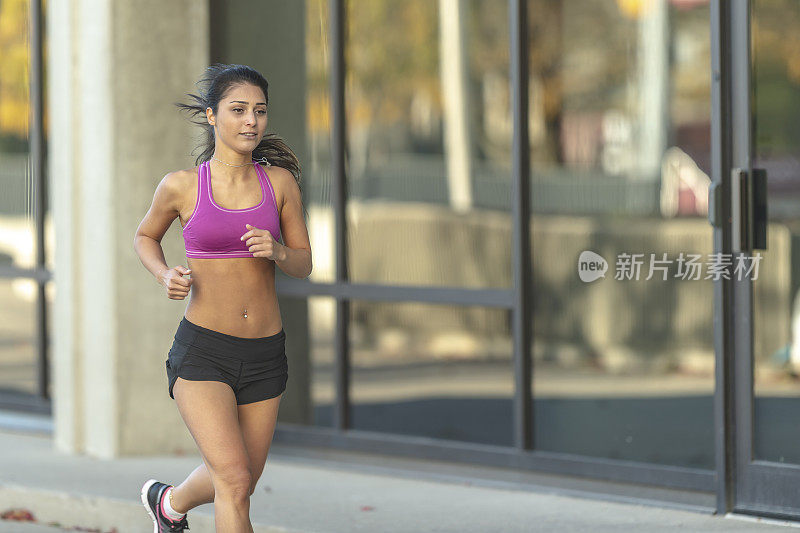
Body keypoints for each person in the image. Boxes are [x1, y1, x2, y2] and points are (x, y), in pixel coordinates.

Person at [133, 63, 312, 532]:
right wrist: (163, 273)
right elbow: (144, 237)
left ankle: (168, 505)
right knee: (233, 481)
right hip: (204, 352)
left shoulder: (280, 185)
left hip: (265, 354)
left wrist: (277, 251)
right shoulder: (182, 185)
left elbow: (304, 263)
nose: (251, 121)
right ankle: (170, 506)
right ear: (212, 117)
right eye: (238, 110)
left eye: (259, 111)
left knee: (241, 479)